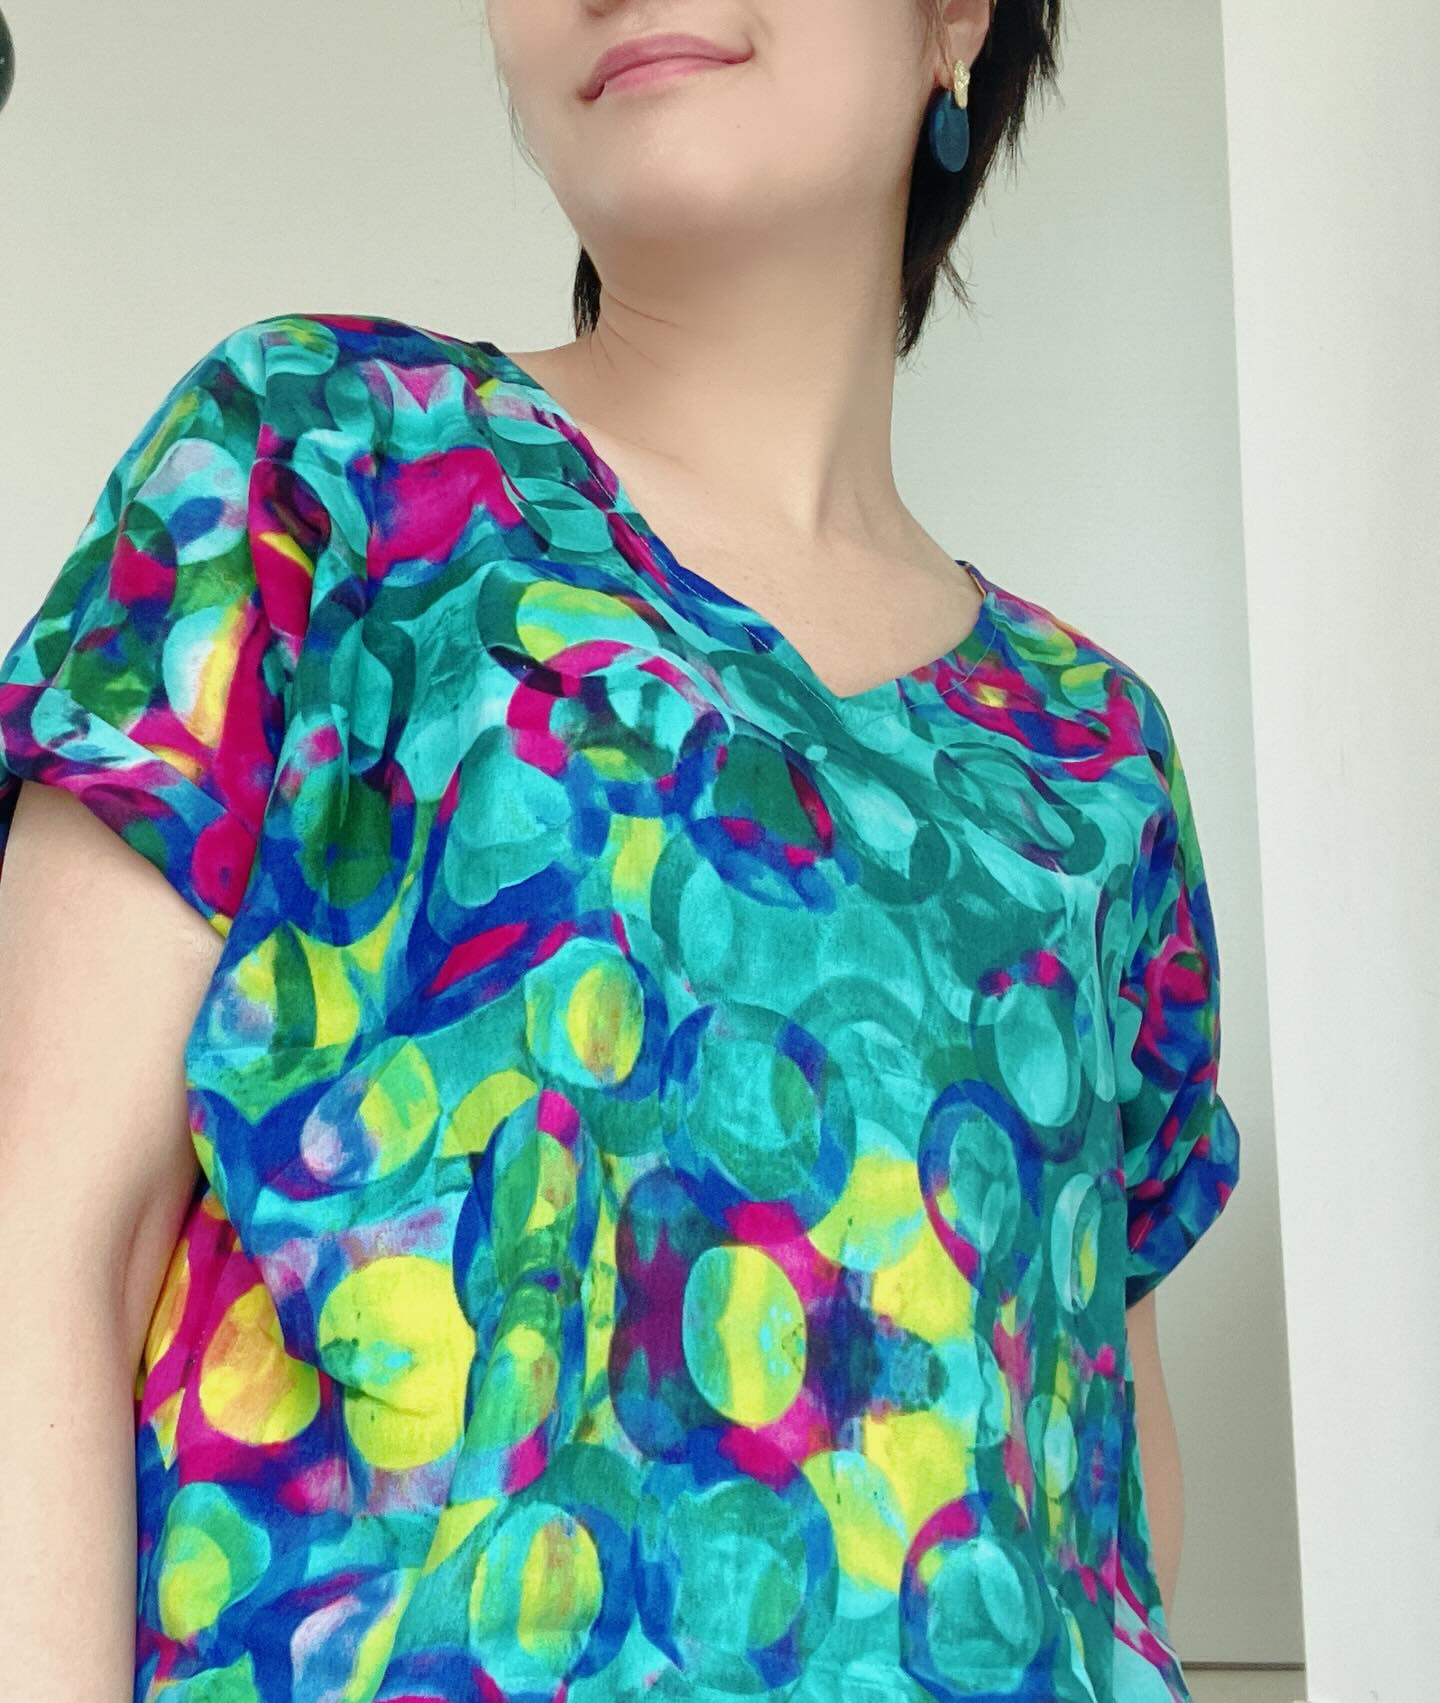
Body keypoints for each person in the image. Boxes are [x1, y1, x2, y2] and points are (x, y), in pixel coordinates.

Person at [0, 1, 1242, 1698]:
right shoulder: (319, 467)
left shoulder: (1096, 760)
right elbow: (41, 1255)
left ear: (959, 14)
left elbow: (1102, 1500)